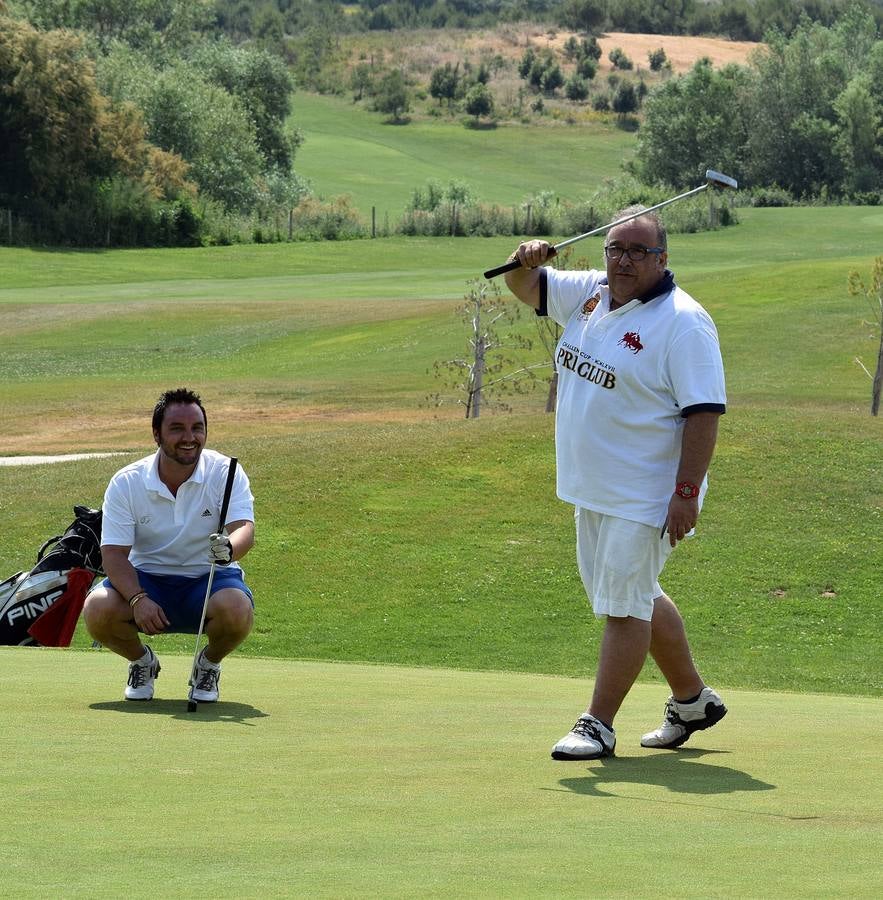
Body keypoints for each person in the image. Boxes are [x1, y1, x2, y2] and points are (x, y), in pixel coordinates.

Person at [503, 208, 728, 759]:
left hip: (647, 493)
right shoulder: (590, 292)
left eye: (637, 251)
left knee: (625, 610)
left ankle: (597, 725)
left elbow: (704, 413)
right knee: (635, 596)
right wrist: (523, 259)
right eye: (614, 248)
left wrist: (684, 494)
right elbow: (523, 285)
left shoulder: (684, 322)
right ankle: (692, 699)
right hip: (593, 488)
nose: (623, 259)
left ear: (662, 259)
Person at [83, 387, 255, 702]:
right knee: (97, 608)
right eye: (177, 429)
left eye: (197, 428)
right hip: (147, 580)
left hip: (209, 581)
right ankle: (142, 662)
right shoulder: (127, 481)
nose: (189, 437)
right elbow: (113, 555)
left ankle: (208, 665)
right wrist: (137, 599)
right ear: (156, 434)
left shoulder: (226, 472)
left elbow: (244, 528)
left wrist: (230, 548)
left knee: (238, 609)